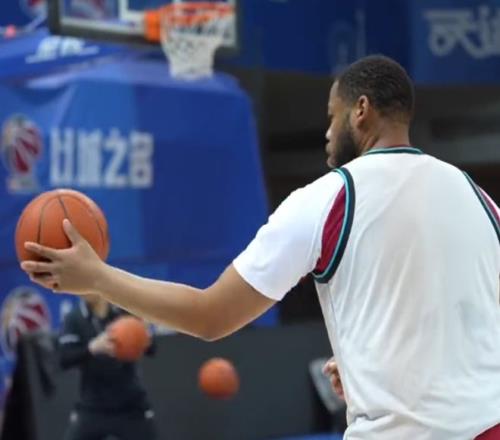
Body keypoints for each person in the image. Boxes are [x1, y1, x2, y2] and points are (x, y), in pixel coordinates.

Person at [21, 55, 500, 440]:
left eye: (331, 116)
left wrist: (97, 277)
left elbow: (210, 316)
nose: (327, 133)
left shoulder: (329, 199)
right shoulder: (478, 197)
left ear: (361, 110)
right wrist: (374, 367)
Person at [59, 294, 157, 440]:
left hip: (130, 405)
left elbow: (152, 349)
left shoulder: (125, 312)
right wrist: (92, 348)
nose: (85, 292)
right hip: (92, 406)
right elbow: (64, 359)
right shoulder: (74, 317)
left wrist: (143, 335)